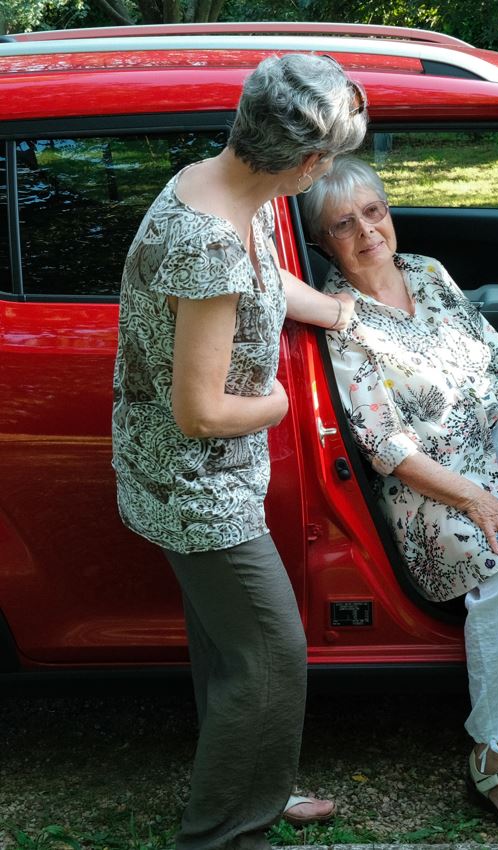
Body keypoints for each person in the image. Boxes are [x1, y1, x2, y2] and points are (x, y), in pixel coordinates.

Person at [111, 54, 367, 850]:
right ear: (307, 164)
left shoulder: (225, 182)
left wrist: (334, 311)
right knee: (271, 658)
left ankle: (257, 783)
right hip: (194, 485)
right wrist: (283, 403)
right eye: (329, 161)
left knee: (230, 650)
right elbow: (201, 411)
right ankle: (224, 834)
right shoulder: (206, 242)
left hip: (193, 476)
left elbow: (266, 278)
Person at [302, 156, 498, 832]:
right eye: (344, 224)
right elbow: (386, 447)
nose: (367, 230)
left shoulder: (429, 272)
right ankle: (494, 757)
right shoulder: (343, 318)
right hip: (426, 482)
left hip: (485, 421)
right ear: (323, 241)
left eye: (373, 212)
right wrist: (477, 498)